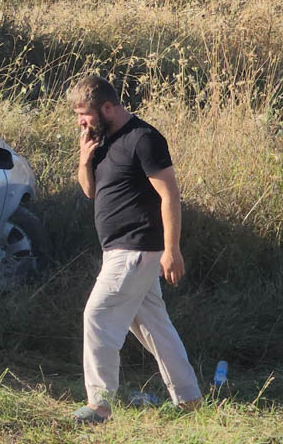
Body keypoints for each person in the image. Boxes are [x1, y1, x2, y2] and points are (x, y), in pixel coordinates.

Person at [67, 74, 201, 424]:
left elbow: (169, 194)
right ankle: (189, 399)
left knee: (97, 316)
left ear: (108, 107)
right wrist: (84, 159)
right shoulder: (100, 141)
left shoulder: (144, 139)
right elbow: (90, 192)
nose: (81, 122)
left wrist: (172, 250)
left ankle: (99, 406)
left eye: (85, 114)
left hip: (137, 248)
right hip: (117, 249)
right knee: (153, 325)